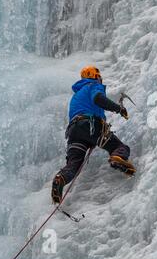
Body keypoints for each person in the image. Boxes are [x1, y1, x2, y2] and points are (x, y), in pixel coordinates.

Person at [51, 66, 136, 204]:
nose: (100, 80)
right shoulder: (93, 85)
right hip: (90, 125)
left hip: (74, 131)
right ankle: (117, 158)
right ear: (95, 76)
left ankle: (60, 179)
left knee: (74, 165)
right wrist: (118, 109)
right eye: (99, 77)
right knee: (119, 146)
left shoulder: (77, 95)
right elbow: (98, 99)